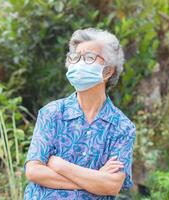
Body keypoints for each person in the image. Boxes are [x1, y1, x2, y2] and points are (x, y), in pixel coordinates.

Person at [23, 28, 136, 200]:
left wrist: (59, 165)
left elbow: (111, 185)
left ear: (108, 71)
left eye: (89, 58)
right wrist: (95, 179)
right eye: (75, 57)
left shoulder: (122, 127)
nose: (78, 63)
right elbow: (34, 171)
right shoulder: (51, 113)